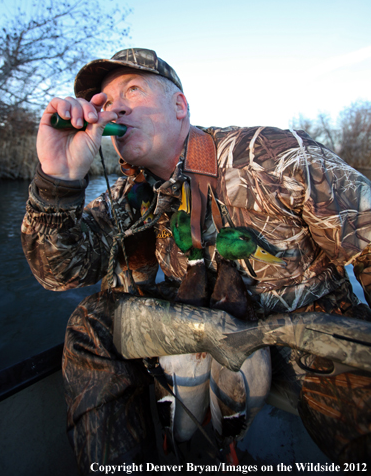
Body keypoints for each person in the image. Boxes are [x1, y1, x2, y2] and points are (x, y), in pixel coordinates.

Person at [22, 48, 371, 472]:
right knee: (93, 323)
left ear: (180, 106)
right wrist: (57, 178)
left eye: (132, 90)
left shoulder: (273, 155)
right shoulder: (133, 195)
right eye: (106, 104)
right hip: (201, 331)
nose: (116, 108)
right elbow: (59, 272)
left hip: (308, 340)